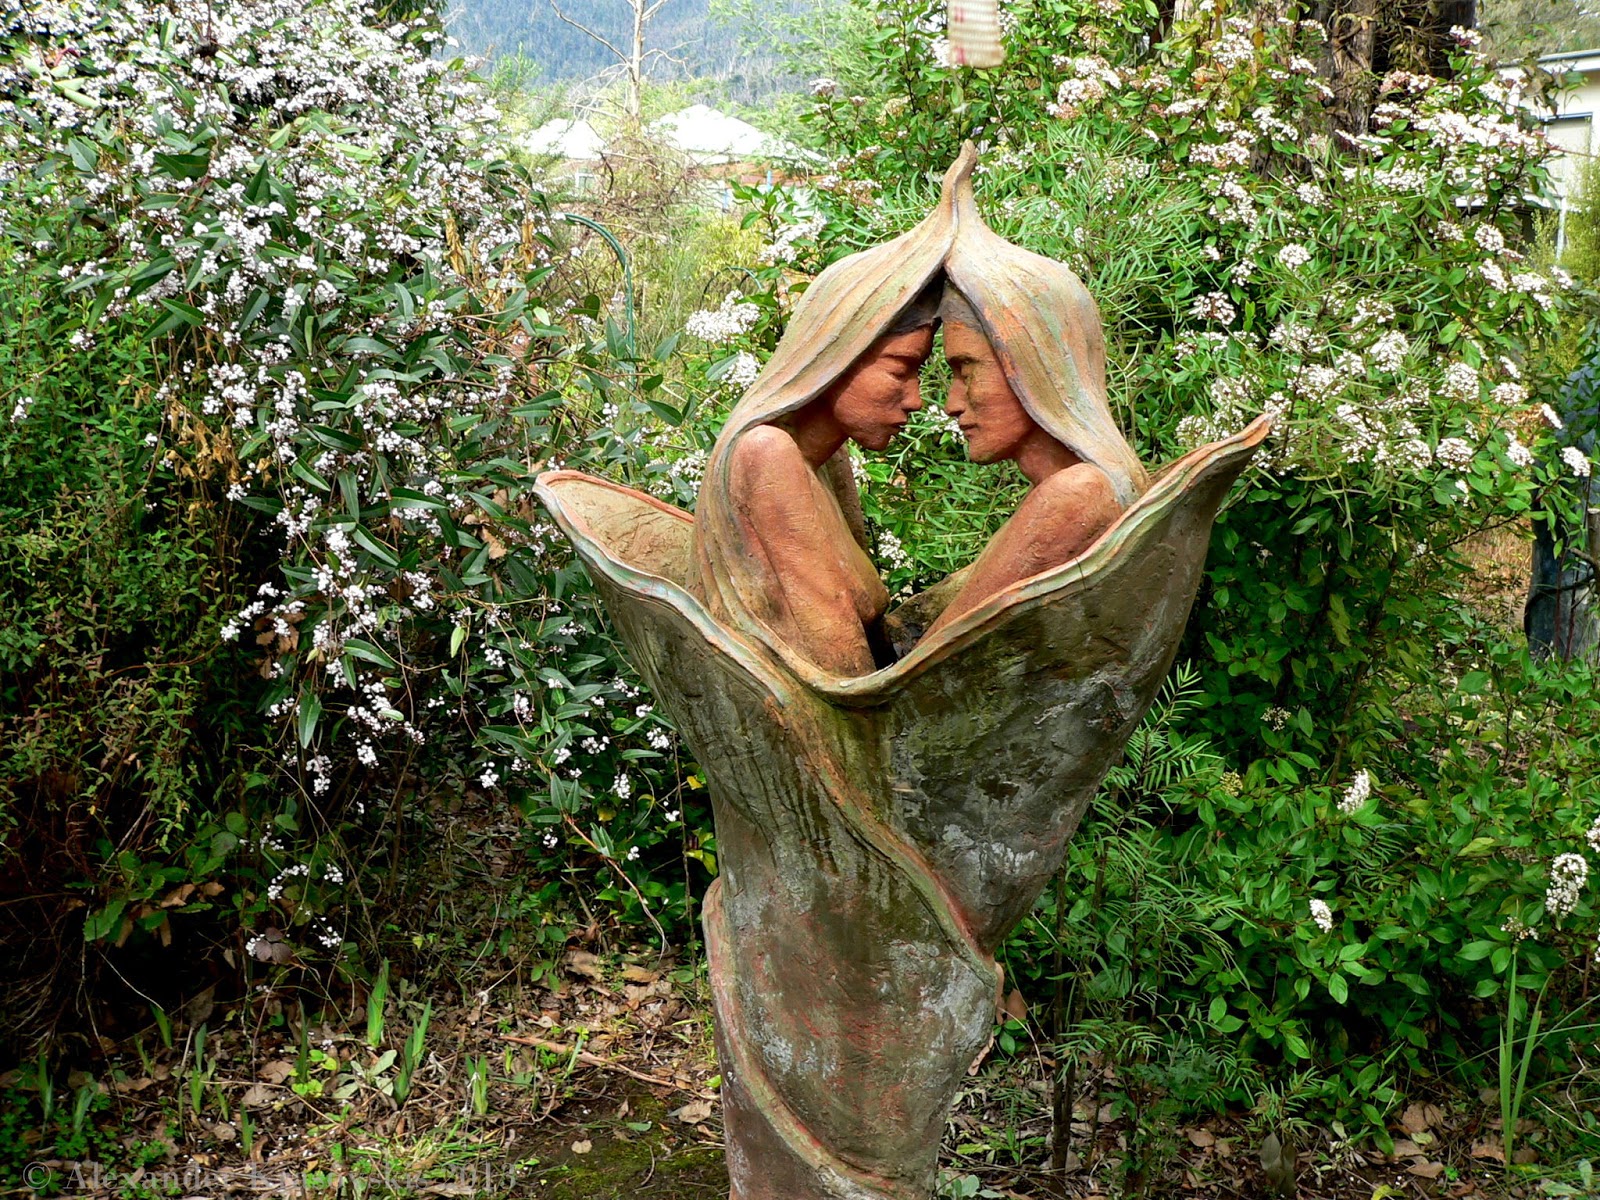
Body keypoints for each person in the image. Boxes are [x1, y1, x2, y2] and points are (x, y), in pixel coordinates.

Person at [688, 151, 971, 677]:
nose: (915, 399)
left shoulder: (823, 460)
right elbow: (840, 670)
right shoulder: (767, 454)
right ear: (835, 358)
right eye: (900, 370)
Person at [921, 285, 1134, 637]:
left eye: (967, 371)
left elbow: (934, 658)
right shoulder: (1081, 485)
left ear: (1033, 367)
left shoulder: (1076, 495)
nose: (952, 403)